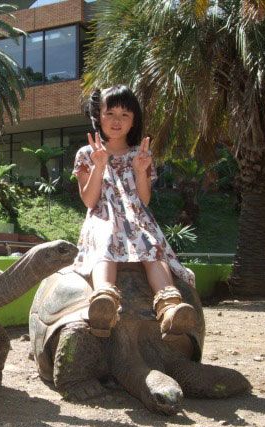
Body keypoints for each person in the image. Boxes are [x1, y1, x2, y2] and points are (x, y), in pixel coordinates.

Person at [72, 85, 196, 338]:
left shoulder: (140, 154)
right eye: (110, 113)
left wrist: (141, 171)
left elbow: (144, 200)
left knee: (151, 244)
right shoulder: (87, 154)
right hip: (103, 216)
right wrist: (99, 166)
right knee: (105, 237)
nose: (117, 121)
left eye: (125, 115)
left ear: (133, 121)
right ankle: (104, 298)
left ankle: (169, 305)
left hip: (136, 217)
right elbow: (89, 200)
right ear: (99, 116)